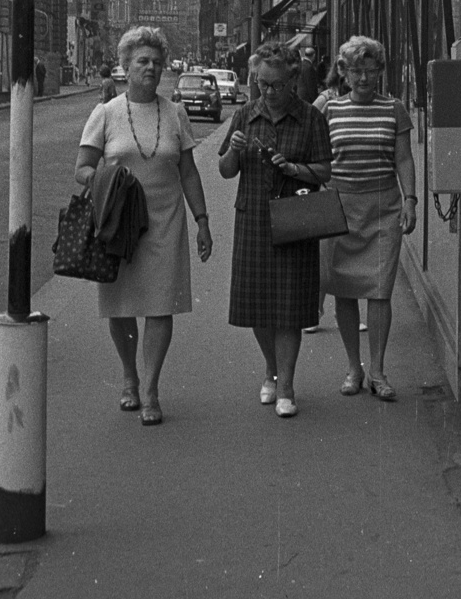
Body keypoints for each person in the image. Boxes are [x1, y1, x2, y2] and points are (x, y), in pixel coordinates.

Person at [74, 25, 212, 426]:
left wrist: (202, 220)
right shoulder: (105, 114)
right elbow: (82, 168)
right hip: (118, 224)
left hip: (165, 221)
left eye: (156, 62)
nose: (150, 68)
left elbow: (188, 172)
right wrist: (109, 179)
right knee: (121, 307)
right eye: (142, 61)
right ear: (126, 66)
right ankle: (129, 376)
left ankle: (150, 389)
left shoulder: (176, 113)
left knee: (160, 304)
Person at [218, 39, 331, 418]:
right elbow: (225, 170)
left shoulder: (311, 118)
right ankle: (271, 368)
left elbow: (324, 170)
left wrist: (294, 168)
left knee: (288, 308)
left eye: (277, 85)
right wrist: (233, 150)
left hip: (294, 218)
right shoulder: (244, 115)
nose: (269, 92)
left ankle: (286, 386)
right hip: (253, 218)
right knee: (257, 306)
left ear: (293, 80)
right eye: (262, 84)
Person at [314, 35, 417, 400]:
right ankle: (353, 368)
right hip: (339, 209)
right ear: (343, 72)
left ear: (380, 72)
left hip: (383, 208)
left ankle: (378, 371)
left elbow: (403, 158)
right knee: (344, 289)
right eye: (356, 71)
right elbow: (315, 156)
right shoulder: (330, 109)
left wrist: (410, 200)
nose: (363, 78)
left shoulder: (394, 109)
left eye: (370, 71)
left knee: (379, 290)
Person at [305, 58, 361, 334]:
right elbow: (307, 128)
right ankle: (314, 310)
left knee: (350, 255)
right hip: (328, 184)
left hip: (354, 183)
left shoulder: (360, 100)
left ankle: (348, 313)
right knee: (325, 256)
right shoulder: (326, 100)